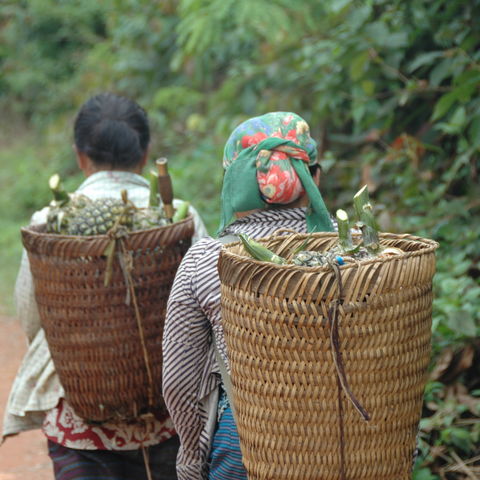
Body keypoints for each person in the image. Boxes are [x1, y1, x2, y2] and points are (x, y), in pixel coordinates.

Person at [2, 92, 208, 480]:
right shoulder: (179, 219)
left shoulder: (50, 221)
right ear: (145, 155)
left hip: (82, 424)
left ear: (81, 157)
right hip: (170, 417)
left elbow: (32, 316)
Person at [162, 112, 335, 479]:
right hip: (353, 438)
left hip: (248, 441)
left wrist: (192, 461)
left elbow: (180, 380)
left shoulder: (207, 259)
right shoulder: (364, 254)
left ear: (233, 184)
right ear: (314, 177)